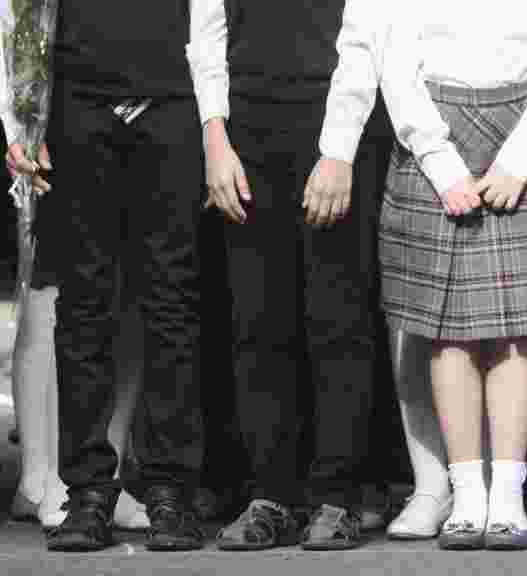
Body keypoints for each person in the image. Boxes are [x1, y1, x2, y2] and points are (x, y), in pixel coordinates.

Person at [375, 0, 527, 550]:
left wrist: (520, 158)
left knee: (515, 330)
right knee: (449, 330)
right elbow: (394, 63)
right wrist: (439, 160)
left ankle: (508, 497)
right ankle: (467, 495)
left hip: (525, 133)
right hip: (434, 134)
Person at [4, 0, 206, 552]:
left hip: (175, 96)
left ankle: (169, 489)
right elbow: (17, 14)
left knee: (171, 300)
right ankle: (87, 491)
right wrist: (20, 117)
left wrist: (217, 121)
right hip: (78, 99)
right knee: (83, 304)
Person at [188, 0, 379, 551]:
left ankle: (337, 495)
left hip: (333, 127)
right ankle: (271, 494)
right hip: (245, 134)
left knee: (338, 321)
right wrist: (215, 141)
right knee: (257, 323)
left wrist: (338, 152)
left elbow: (365, 35)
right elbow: (207, 35)